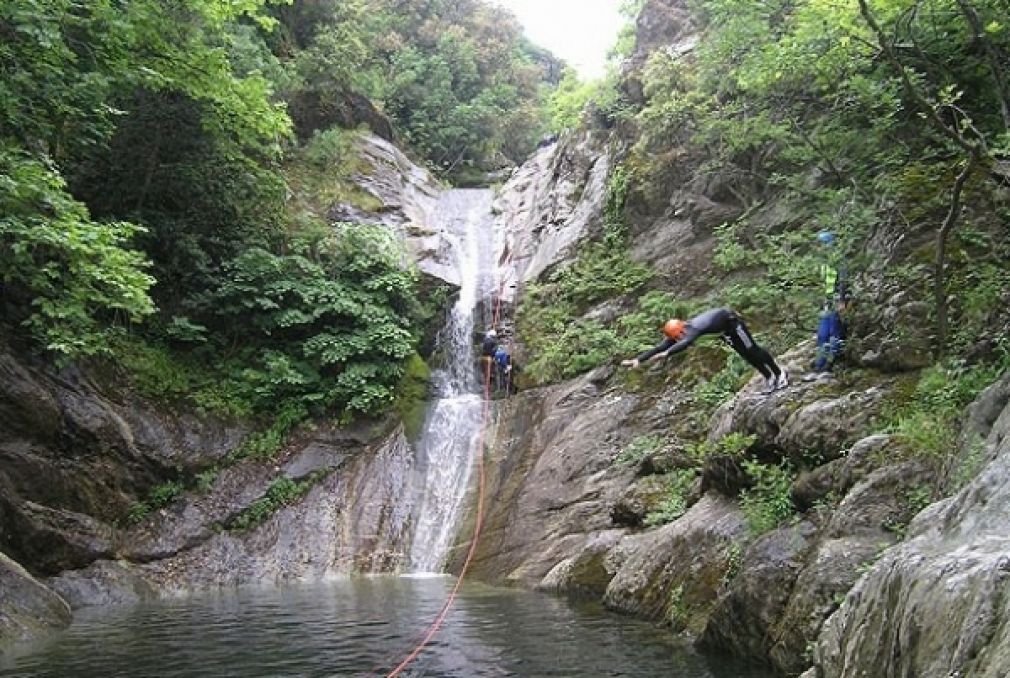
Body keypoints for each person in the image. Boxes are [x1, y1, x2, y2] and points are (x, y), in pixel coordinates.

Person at [621, 308, 788, 394]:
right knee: (746, 356)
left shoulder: (692, 329)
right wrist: (638, 360)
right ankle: (768, 377)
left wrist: (667, 354)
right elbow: (659, 347)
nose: (677, 339)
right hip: (724, 332)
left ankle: (779, 373)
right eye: (675, 338)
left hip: (732, 323)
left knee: (752, 350)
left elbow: (685, 344)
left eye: (678, 337)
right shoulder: (677, 334)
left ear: (681, 330)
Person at [809, 231, 850, 378]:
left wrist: (842, 301)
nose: (819, 248)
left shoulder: (839, 261)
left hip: (836, 301)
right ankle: (820, 364)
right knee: (822, 334)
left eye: (821, 244)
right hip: (827, 303)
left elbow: (843, 281)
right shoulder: (824, 263)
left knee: (834, 333)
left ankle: (830, 364)